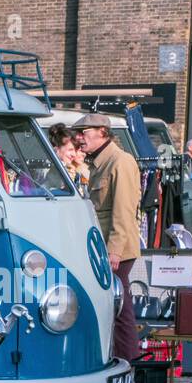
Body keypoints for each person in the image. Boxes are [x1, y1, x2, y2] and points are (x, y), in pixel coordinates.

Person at [73, 113, 142, 361]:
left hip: (116, 252)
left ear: (102, 131)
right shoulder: (101, 163)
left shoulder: (120, 162)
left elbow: (123, 212)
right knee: (112, 309)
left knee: (120, 311)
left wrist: (113, 251)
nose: (79, 138)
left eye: (84, 132)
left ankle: (128, 365)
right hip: (104, 249)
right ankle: (119, 360)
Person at [47, 123, 89, 194]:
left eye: (75, 150)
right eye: (70, 150)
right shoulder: (59, 173)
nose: (74, 154)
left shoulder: (70, 170)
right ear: (56, 150)